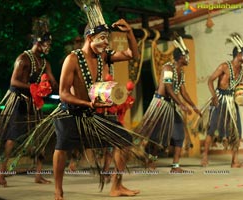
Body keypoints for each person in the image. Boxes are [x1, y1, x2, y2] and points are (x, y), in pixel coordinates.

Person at [53, 1, 140, 197]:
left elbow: (131, 54)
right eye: (102, 38)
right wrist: (87, 103)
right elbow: (64, 93)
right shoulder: (72, 59)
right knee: (61, 148)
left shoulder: (104, 56)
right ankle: (58, 189)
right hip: (70, 113)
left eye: (107, 39)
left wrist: (129, 33)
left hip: (92, 113)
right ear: (89, 37)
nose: (106, 43)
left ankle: (116, 186)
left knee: (124, 140)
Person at [0, 17, 58, 186]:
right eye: (47, 43)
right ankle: (1, 172)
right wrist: (32, 87)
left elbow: (53, 82)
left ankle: (38, 175)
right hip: (18, 101)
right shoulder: (23, 58)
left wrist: (50, 86)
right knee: (11, 138)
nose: (49, 47)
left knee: (40, 137)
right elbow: (13, 82)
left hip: (35, 101)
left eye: (50, 44)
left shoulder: (44, 62)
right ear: (38, 42)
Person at [134, 35, 201, 173]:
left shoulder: (181, 73)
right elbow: (169, 89)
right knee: (157, 136)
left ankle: (175, 166)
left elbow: (184, 92)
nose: (188, 59)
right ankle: (151, 161)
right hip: (160, 104)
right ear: (181, 57)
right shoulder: (167, 69)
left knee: (179, 133)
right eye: (186, 56)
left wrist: (193, 107)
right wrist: (181, 105)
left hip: (171, 105)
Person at [199, 33, 243, 168]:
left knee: (236, 130)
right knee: (212, 129)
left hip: (231, 101)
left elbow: (240, 86)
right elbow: (210, 80)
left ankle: (234, 161)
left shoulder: (241, 70)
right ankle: (204, 156)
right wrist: (213, 96)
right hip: (219, 98)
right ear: (239, 55)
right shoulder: (224, 66)